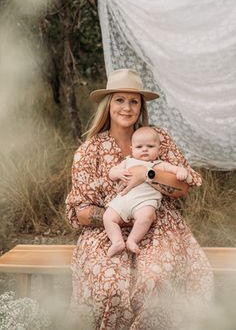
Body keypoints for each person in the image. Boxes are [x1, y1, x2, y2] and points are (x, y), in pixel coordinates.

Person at [65, 68, 213, 329]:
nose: (127, 107)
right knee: (110, 285)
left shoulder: (158, 138)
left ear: (141, 106)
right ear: (108, 104)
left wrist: (148, 173)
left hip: (158, 223)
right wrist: (120, 219)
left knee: (154, 279)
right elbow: (80, 211)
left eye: (134, 101)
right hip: (107, 230)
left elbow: (182, 188)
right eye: (120, 99)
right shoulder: (89, 150)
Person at [104, 126, 188, 257]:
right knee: (108, 217)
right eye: (139, 147)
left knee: (146, 217)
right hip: (124, 199)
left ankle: (132, 240)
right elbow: (111, 173)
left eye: (150, 146)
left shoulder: (158, 165)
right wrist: (118, 173)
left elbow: (175, 169)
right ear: (132, 149)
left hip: (145, 202)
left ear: (158, 149)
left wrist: (181, 171)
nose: (144, 149)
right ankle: (117, 241)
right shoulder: (127, 161)